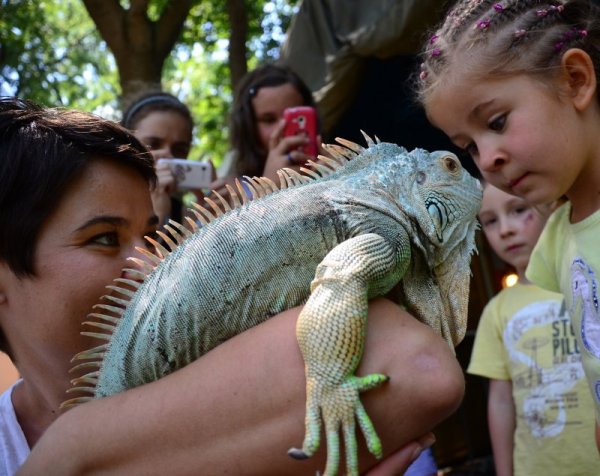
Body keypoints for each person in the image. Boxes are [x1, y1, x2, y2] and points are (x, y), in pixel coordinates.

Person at [0, 97, 463, 475]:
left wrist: (75, 447)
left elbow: (420, 368)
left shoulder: (221, 355)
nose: (147, 264)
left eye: (152, 234)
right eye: (103, 239)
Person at [416, 0, 600, 452]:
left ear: (574, 80)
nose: (488, 159)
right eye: (470, 147)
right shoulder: (557, 238)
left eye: (496, 122)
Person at [468, 182, 599, 476]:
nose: (505, 229)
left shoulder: (583, 282)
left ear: (552, 208)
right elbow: (500, 401)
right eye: (490, 221)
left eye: (518, 210)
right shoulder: (496, 311)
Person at [212, 64, 321, 197]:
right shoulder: (231, 194)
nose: (281, 130)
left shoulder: (336, 170)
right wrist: (266, 189)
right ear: (248, 127)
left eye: (295, 119)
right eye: (269, 120)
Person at [121, 91, 201, 225]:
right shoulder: (100, 205)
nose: (168, 155)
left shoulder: (185, 219)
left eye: (179, 149)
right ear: (126, 145)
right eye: (153, 144)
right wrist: (155, 216)